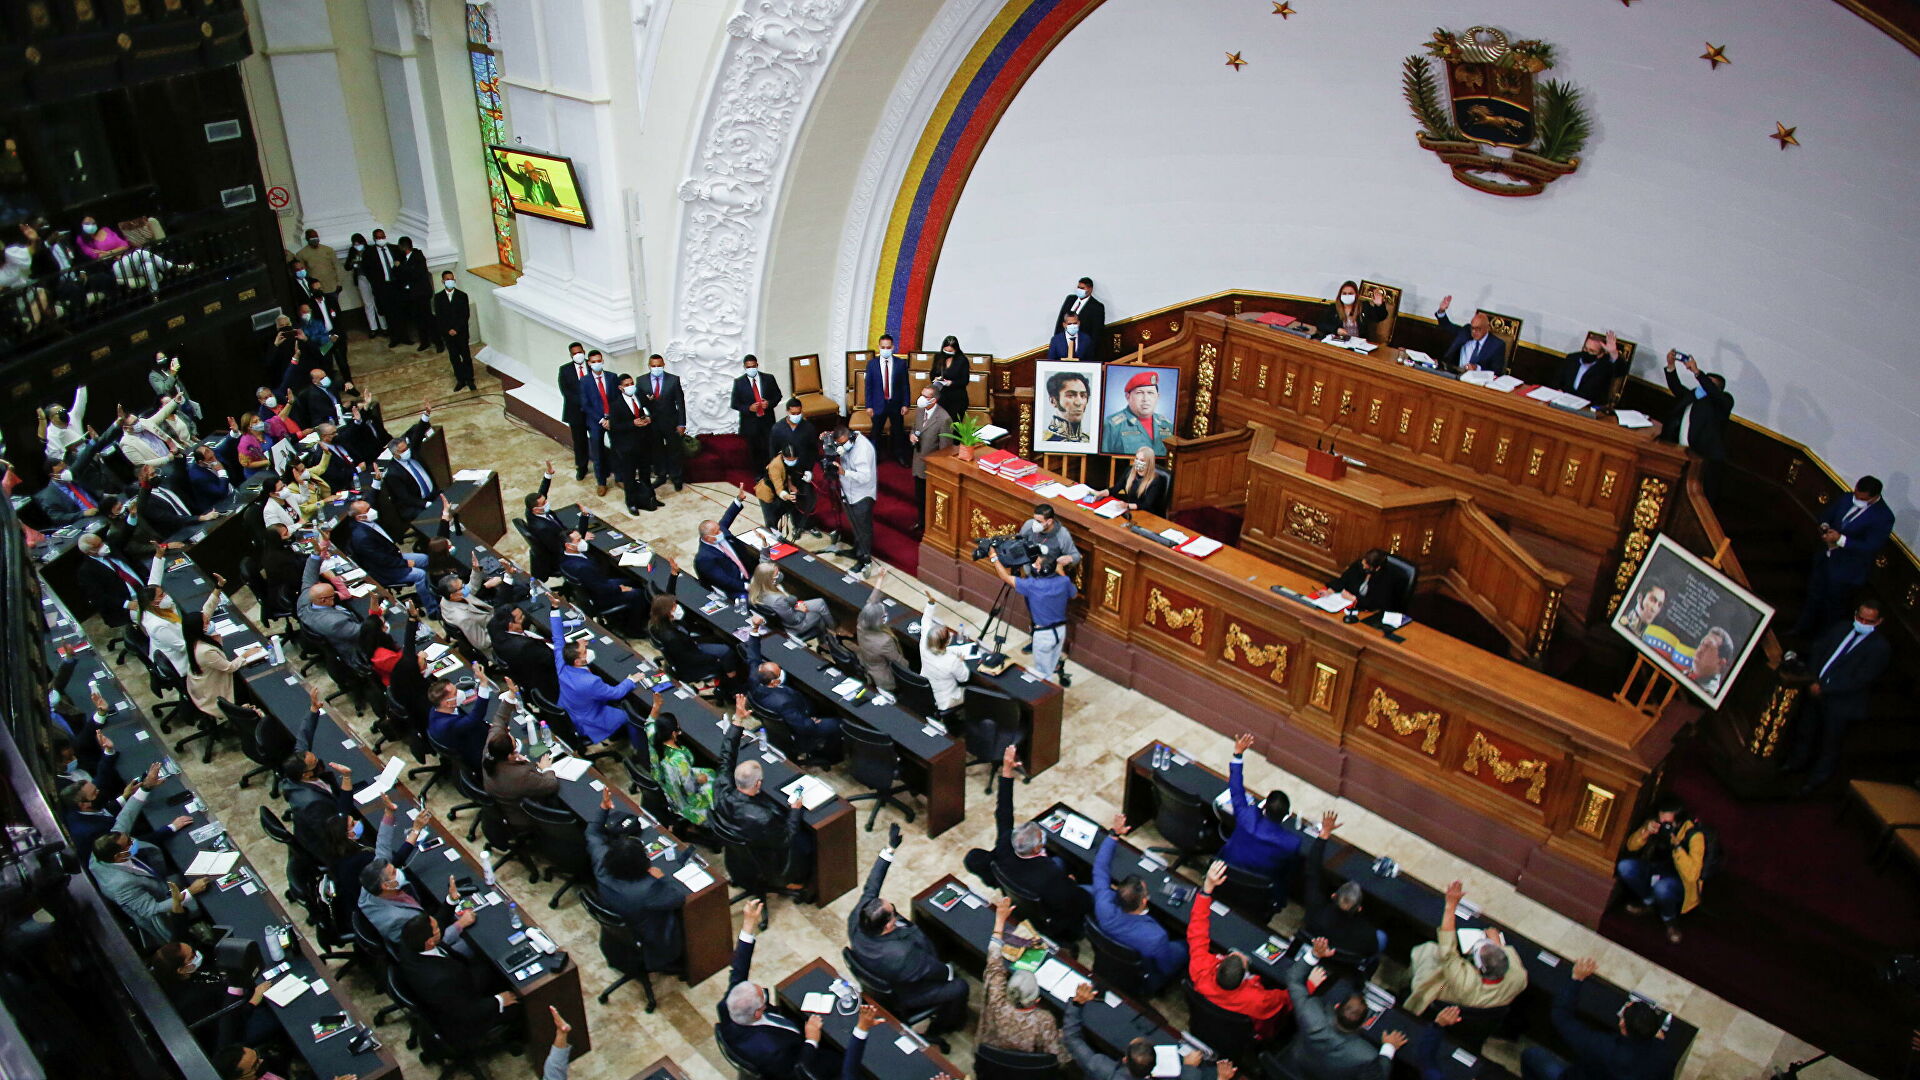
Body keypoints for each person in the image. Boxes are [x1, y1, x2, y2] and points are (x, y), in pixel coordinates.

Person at [849, 823, 969, 1040]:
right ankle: (946, 1025)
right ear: (887, 925)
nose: (896, 914)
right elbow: (933, 971)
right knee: (959, 986)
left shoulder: (857, 918)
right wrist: (948, 972)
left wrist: (889, 850)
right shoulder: (902, 955)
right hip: (905, 993)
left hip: (879, 969)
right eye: (893, 913)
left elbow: (871, 886)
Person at [963, 745, 1093, 933]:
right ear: (1035, 849)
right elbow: (1077, 899)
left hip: (1023, 886)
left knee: (1060, 861)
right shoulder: (1050, 875)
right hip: (1057, 912)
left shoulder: (1005, 845)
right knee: (1095, 891)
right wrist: (1071, 882)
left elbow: (1004, 812)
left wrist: (1007, 771)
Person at [717, 898, 838, 1079]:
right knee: (840, 1059)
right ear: (758, 1013)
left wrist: (749, 924)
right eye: (762, 996)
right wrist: (812, 1039)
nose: (764, 992)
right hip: (799, 1056)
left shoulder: (729, 1005)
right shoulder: (773, 1049)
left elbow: (739, 969)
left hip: (784, 1039)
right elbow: (798, 1069)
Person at [1784, 599, 1893, 793]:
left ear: (1878, 622)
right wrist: (1813, 679)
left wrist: (1825, 688)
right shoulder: (1841, 628)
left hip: (1841, 702)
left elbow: (1861, 678)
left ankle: (1816, 780)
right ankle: (1795, 763)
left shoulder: (1879, 648)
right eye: (1860, 618)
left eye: (1869, 621)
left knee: (1830, 743)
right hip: (1815, 689)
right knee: (1805, 730)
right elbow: (1819, 649)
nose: (1863, 623)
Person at [714, 706, 814, 902]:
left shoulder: (721, 790)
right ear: (758, 784)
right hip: (763, 862)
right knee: (805, 840)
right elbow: (786, 837)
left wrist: (737, 722)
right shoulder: (762, 817)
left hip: (736, 859)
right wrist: (794, 811)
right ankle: (796, 879)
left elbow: (726, 757)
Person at [585, 786, 686, 972]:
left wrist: (603, 807)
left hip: (617, 931)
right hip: (648, 938)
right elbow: (678, 897)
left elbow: (592, 833)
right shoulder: (648, 889)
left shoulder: (601, 863)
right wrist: (662, 878)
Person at [1520, 956, 1670, 1080]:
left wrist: (1576, 979)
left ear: (1623, 1024)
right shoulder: (1663, 1055)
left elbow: (1561, 1016)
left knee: (1532, 1055)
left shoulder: (1601, 1046)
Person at [1191, 861, 1291, 1039]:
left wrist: (1207, 890)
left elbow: (1196, 931)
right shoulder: (1259, 999)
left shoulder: (1200, 968)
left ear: (1219, 963)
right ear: (1245, 976)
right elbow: (1288, 999)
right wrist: (1311, 984)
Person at [1089, 815, 1186, 994]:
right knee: (1184, 947)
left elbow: (1100, 868)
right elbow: (1165, 968)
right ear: (1144, 901)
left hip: (1110, 959)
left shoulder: (1103, 904)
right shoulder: (1156, 937)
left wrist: (1113, 835)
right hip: (1141, 977)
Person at [395, 914, 521, 1049]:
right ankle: (517, 1038)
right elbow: (466, 1012)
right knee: (519, 1001)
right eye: (437, 929)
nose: (441, 929)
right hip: (462, 1018)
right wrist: (499, 1000)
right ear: (430, 942)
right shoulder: (441, 980)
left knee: (489, 965)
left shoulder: (408, 945)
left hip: (461, 982)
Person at [1405, 879, 1527, 1016]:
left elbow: (1447, 953)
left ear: (1478, 968)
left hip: (1444, 986)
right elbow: (1503, 951)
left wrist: (1451, 906)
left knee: (1429, 950)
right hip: (1486, 996)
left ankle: (1403, 980)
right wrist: (1496, 942)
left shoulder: (1466, 983)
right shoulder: (1519, 976)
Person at [1275, 955, 1407, 1080]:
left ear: (1337, 1007)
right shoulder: (1367, 1055)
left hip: (1291, 1067)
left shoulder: (1310, 1014)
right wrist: (1388, 1048)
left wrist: (1314, 954)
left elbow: (1294, 978)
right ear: (1365, 1022)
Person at [1795, 475, 1895, 637]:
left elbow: (1871, 546)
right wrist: (1825, 527)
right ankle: (1800, 630)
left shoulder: (1883, 516)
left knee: (1833, 609)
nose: (1856, 499)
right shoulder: (1847, 498)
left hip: (1846, 571)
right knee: (1813, 597)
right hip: (1825, 559)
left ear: (1874, 497)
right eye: (1856, 494)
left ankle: (1822, 641)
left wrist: (1840, 540)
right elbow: (1827, 515)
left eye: (1861, 498)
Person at [980, 895, 1069, 1061]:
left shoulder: (995, 999)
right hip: (1024, 1064)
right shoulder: (1043, 1020)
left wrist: (999, 921)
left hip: (991, 1056)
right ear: (1036, 1001)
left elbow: (993, 963)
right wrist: (1067, 1033)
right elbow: (1055, 1056)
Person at [1063, 984, 1215, 1080]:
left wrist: (1076, 1004)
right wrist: (1189, 1068)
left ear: (1125, 1059)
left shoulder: (1100, 1067)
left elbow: (1071, 1038)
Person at [150, 940, 280, 1051]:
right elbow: (227, 1027)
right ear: (181, 969)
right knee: (276, 1014)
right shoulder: (191, 1002)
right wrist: (253, 1002)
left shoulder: (188, 973)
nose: (197, 955)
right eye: (192, 956)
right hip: (240, 1023)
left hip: (240, 993)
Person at [1614, 794, 1709, 944]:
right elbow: (1631, 846)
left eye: (1668, 823)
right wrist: (1645, 832)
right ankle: (1649, 901)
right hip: (1656, 869)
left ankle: (1669, 919)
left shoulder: (1694, 835)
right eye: (1661, 820)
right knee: (1625, 867)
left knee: (1662, 888)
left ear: (1678, 821)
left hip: (1680, 882)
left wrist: (1677, 846)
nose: (1663, 825)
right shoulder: (1655, 823)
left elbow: (1692, 875)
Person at [744, 618, 841, 759]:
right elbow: (804, 727)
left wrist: (754, 629)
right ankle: (831, 755)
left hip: (787, 709)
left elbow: (753, 655)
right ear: (774, 683)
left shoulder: (755, 675)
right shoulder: (784, 702)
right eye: (779, 673)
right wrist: (811, 721)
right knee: (840, 723)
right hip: (802, 725)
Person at [91, 828, 207, 946]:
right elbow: (152, 909)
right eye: (129, 843)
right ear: (118, 856)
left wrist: (172, 826)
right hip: (163, 911)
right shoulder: (121, 884)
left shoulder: (98, 854)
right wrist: (190, 891)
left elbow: (123, 820)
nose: (133, 841)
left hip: (161, 885)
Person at [550, 607, 648, 744]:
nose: (587, 650)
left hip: (572, 711)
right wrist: (631, 680)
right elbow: (616, 693)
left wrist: (554, 608)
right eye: (584, 652)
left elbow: (558, 639)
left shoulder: (562, 663)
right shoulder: (590, 682)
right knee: (630, 716)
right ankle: (640, 747)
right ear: (578, 661)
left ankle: (618, 733)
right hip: (590, 721)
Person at [1304, 811, 1384, 977]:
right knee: (1382, 938)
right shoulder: (1367, 933)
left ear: (1334, 896)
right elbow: (1370, 952)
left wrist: (1324, 834)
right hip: (1344, 963)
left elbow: (1312, 871)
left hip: (1318, 951)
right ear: (1360, 909)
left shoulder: (1315, 908)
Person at [1219, 733, 1301, 890]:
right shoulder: (1291, 843)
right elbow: (1288, 872)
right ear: (1285, 816)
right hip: (1257, 889)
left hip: (1225, 875)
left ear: (1264, 807)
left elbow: (1236, 790)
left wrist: (1238, 754)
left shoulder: (1246, 817)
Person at [984, 544, 1077, 681]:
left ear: (1043, 570)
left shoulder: (1033, 585)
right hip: (1060, 631)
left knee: (1043, 674)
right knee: (1049, 668)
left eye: (1038, 564)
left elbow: (1005, 577)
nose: (1036, 565)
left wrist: (993, 557)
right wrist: (1060, 570)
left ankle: (1047, 697)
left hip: (1044, 634)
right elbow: (1073, 594)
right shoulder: (1063, 581)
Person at [1659, 350, 1734, 503]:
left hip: (1703, 457)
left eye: (1707, 382)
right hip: (1679, 450)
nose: (1702, 384)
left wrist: (1697, 372)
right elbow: (1676, 388)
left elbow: (1714, 394)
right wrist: (1671, 365)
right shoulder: (1694, 396)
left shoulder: (1723, 401)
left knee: (1697, 497)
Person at [648, 559, 738, 684]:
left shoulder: (658, 620)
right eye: (674, 606)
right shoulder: (672, 637)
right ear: (668, 612)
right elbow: (690, 657)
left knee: (714, 638)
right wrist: (713, 659)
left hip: (688, 644)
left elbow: (670, 596)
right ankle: (731, 680)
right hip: (692, 657)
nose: (676, 606)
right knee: (726, 651)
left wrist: (673, 575)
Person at [643, 696, 717, 827]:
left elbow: (649, 723)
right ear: (673, 733)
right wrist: (699, 780)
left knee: (709, 772)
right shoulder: (679, 761)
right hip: (681, 800)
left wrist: (656, 706)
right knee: (715, 788)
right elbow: (690, 788)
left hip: (663, 783)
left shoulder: (653, 735)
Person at [481, 707, 559, 826]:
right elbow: (551, 785)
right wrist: (546, 769)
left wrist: (509, 698)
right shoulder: (520, 775)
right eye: (515, 746)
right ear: (509, 756)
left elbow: (499, 720)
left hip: (504, 797)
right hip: (522, 816)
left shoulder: (489, 750)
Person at [606, 373, 661, 514]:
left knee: (645, 472)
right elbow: (616, 426)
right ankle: (631, 502)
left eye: (631, 383)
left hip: (644, 442)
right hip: (628, 446)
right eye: (626, 385)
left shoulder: (640, 396)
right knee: (629, 476)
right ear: (620, 388)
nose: (630, 387)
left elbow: (653, 409)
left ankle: (650, 497)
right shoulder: (616, 405)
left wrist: (649, 418)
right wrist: (632, 423)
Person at [426, 670, 501, 774]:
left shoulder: (435, 709)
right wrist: (483, 684)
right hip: (477, 754)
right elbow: (475, 718)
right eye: (455, 693)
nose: (460, 693)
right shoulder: (448, 725)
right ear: (447, 703)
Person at [297, 549, 366, 658]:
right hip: (353, 652)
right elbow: (363, 634)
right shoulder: (335, 622)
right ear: (323, 600)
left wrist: (317, 553)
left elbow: (308, 577)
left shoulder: (305, 598)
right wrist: (376, 619)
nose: (335, 596)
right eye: (332, 595)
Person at [831, 425, 878, 574]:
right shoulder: (849, 438)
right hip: (848, 491)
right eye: (840, 444)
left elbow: (865, 477)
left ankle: (864, 559)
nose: (842, 447)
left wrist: (844, 472)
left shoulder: (862, 450)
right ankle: (856, 550)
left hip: (862, 495)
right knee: (855, 525)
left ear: (850, 437)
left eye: (843, 443)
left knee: (863, 529)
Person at [695, 487, 757, 599]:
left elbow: (727, 517)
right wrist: (747, 586)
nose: (721, 532)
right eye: (717, 532)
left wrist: (738, 500)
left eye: (719, 528)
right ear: (708, 538)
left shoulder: (720, 531)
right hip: (735, 588)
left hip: (749, 574)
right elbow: (723, 580)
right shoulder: (704, 558)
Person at [917, 589, 970, 720]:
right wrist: (961, 660)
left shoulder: (924, 644)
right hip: (946, 700)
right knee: (975, 694)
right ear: (946, 642)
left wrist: (930, 603)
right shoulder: (952, 660)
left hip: (927, 692)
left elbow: (925, 622)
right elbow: (964, 678)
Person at [641, 353, 687, 491]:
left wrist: (681, 423)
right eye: (653, 366)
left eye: (659, 366)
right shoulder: (641, 381)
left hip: (670, 421)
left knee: (674, 450)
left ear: (663, 365)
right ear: (649, 366)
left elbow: (680, 403)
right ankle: (661, 475)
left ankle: (676, 477)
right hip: (652, 423)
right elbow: (639, 403)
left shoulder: (673, 380)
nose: (656, 368)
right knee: (657, 450)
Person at [749, 562, 830, 639]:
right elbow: (794, 620)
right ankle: (827, 639)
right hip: (792, 625)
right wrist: (802, 611)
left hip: (787, 608)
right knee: (817, 616)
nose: (779, 575)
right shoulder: (778, 600)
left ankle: (832, 629)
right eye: (776, 574)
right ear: (769, 579)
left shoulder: (755, 583)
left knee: (820, 602)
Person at [1102, 369, 1174, 456]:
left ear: (1157, 397)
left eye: (1150, 393)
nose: (1145, 399)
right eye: (1140, 393)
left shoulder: (1167, 425)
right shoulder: (1112, 425)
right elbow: (1104, 461)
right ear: (1128, 397)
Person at [865, 335, 912, 465]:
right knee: (876, 432)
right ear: (879, 347)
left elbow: (905, 385)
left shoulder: (900, 363)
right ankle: (875, 456)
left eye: (888, 347)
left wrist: (905, 404)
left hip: (895, 404)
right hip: (878, 404)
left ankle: (899, 455)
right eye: (883, 347)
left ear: (893, 347)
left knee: (898, 431)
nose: (885, 349)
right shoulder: (872, 364)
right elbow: (868, 386)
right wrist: (869, 406)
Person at [911, 385, 954, 527]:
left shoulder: (944, 419)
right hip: (918, 461)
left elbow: (945, 449)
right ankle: (921, 522)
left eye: (926, 397)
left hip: (931, 467)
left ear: (934, 400)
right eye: (922, 394)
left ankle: (930, 525)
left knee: (929, 499)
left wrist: (939, 470)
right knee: (919, 497)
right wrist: (911, 435)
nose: (921, 399)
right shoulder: (920, 410)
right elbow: (915, 428)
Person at [854, 570, 904, 690]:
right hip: (884, 679)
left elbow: (871, 602)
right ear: (878, 620)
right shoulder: (884, 641)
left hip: (867, 663)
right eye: (883, 615)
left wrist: (880, 579)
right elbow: (899, 663)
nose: (886, 614)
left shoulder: (862, 622)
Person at [1432, 295, 1506, 376]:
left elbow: (1497, 372)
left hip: (1477, 381)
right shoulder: (1466, 331)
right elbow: (1447, 326)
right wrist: (1442, 311)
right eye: (1473, 328)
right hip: (1454, 373)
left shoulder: (1497, 345)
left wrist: (1477, 368)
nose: (1474, 332)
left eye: (1478, 329)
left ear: (1487, 328)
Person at [578, 351, 619, 495]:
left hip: (613, 419)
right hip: (596, 421)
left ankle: (620, 478)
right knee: (598, 452)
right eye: (593, 361)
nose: (597, 364)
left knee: (618, 448)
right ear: (589, 363)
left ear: (602, 361)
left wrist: (611, 418)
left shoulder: (612, 377)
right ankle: (601, 482)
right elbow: (585, 404)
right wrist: (602, 420)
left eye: (599, 361)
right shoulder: (584, 381)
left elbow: (617, 400)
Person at [1324, 548, 1409, 616]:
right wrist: (1331, 590)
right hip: (1347, 608)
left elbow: (1377, 604)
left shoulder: (1387, 578)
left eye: (1366, 565)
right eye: (1363, 562)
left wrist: (1355, 599)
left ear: (1377, 568)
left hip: (1368, 614)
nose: (1363, 566)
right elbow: (1343, 580)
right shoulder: (1359, 565)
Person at [1553, 331, 1628, 406]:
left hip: (1589, 407)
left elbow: (1621, 371)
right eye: (1585, 349)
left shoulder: (1605, 366)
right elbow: (1557, 379)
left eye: (1592, 351)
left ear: (1601, 354)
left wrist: (1613, 353)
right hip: (1563, 401)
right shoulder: (1572, 358)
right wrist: (1558, 391)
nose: (1587, 352)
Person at [732, 354, 782, 466]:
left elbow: (778, 396)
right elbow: (735, 404)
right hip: (750, 423)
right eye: (748, 367)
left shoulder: (769, 378)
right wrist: (749, 408)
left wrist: (768, 404)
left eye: (753, 366)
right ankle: (758, 474)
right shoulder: (739, 383)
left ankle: (771, 471)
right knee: (754, 451)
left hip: (767, 421)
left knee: (769, 449)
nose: (751, 369)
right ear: (745, 367)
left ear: (757, 365)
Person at [431, 270, 475, 391]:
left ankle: (470, 379)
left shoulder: (462, 296)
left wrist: (456, 328)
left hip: (461, 332)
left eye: (452, 279)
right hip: (448, 334)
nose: (450, 281)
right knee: (454, 357)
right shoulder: (438, 298)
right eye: (447, 279)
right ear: (443, 281)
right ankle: (460, 379)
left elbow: (465, 315)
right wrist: (448, 330)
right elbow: (439, 317)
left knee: (466, 356)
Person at [35, 451, 104, 526]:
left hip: (101, 509)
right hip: (83, 521)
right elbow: (58, 517)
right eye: (61, 471)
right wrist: (83, 513)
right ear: (52, 475)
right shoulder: (48, 496)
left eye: (66, 468)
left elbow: (94, 491)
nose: (66, 472)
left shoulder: (75, 477)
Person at [1093, 447, 1167, 515]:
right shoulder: (1129, 471)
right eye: (1137, 459)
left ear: (1149, 463)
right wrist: (1101, 493)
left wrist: (1127, 505)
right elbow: (1116, 488)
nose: (1138, 462)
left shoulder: (1156, 480)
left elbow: (1147, 505)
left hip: (1147, 514)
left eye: (1142, 460)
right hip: (1130, 511)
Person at [557, 343, 593, 480]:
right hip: (576, 412)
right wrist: (583, 402)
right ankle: (582, 467)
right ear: (571, 355)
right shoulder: (565, 370)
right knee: (579, 441)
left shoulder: (592, 366)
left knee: (596, 438)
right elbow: (566, 391)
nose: (578, 355)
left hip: (593, 412)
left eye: (580, 352)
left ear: (584, 352)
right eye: (575, 353)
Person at [1315, 281, 1389, 343]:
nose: (1347, 296)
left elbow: (1380, 317)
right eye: (1344, 293)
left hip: (1358, 345)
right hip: (1339, 343)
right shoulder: (1333, 307)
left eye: (1350, 293)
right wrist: (1336, 329)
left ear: (1356, 295)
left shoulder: (1364, 306)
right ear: (1340, 295)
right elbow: (1321, 324)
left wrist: (1379, 305)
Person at [755, 444, 805, 535]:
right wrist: (788, 496)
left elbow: (788, 472)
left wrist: (791, 486)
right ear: (783, 456)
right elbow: (779, 489)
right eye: (790, 460)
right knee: (771, 521)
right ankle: (773, 538)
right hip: (768, 492)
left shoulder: (790, 460)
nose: (792, 462)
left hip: (783, 488)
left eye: (794, 460)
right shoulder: (775, 465)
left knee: (792, 507)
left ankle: (797, 527)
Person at [1053, 278, 1107, 362]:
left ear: (1090, 289)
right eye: (1078, 287)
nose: (1079, 290)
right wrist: (1056, 341)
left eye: (1082, 288)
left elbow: (1096, 332)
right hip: (1063, 344)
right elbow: (1060, 321)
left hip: (1081, 347)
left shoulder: (1097, 307)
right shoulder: (1070, 299)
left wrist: (1089, 351)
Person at [1040, 367, 1092, 445]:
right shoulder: (1044, 439)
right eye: (1070, 395)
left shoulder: (1089, 440)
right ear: (1053, 401)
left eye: (1083, 396)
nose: (1078, 402)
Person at [39, 385, 88, 462]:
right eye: (59, 412)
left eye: (63, 410)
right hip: (74, 466)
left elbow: (81, 400)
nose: (63, 413)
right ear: (52, 419)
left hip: (90, 454)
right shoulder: (49, 435)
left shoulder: (73, 416)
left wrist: (81, 383)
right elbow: (57, 458)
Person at [770, 398, 818, 474]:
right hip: (784, 468)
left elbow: (813, 450)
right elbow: (773, 450)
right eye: (793, 413)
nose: (796, 416)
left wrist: (809, 470)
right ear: (787, 412)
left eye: (798, 413)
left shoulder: (809, 428)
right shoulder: (777, 428)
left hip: (803, 468)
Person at [293, 227, 343, 297]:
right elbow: (303, 273)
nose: (315, 239)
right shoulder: (301, 254)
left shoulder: (328, 250)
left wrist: (339, 283)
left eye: (316, 237)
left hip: (332, 286)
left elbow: (337, 267)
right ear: (307, 239)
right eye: (312, 237)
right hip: (317, 288)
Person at [932, 335, 971, 420]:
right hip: (941, 396)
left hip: (957, 398)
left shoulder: (962, 360)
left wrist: (951, 383)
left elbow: (965, 381)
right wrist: (936, 379)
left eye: (950, 351)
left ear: (955, 350)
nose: (947, 352)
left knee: (953, 425)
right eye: (945, 350)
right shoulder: (938, 357)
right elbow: (932, 373)